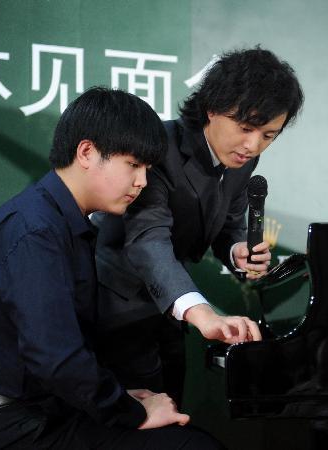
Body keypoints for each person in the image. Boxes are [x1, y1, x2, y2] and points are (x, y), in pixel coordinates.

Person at [0, 87, 224, 449]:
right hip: (16, 431)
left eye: (148, 169)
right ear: (87, 152)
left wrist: (121, 397)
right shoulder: (35, 230)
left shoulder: (60, 221)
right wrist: (132, 412)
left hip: (47, 414)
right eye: (133, 165)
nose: (142, 181)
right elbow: (55, 358)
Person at [93, 47, 305, 404]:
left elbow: (229, 224)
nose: (253, 146)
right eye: (246, 128)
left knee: (173, 407)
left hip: (174, 310)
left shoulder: (240, 161)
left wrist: (238, 250)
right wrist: (201, 311)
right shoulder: (157, 147)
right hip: (118, 307)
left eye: (269, 135)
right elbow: (148, 238)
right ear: (211, 108)